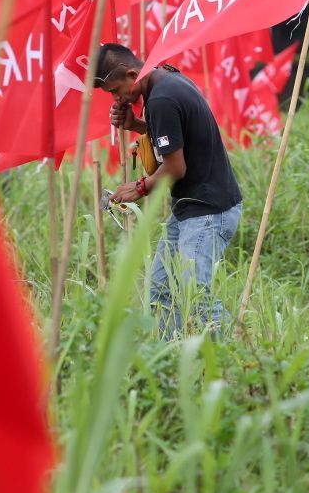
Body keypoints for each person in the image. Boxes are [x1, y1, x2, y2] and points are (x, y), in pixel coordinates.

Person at [94, 43, 243, 337]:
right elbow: (177, 134)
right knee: (161, 290)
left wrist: (138, 188)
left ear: (131, 73)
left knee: (194, 296)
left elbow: (176, 168)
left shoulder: (161, 98)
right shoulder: (165, 77)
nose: (116, 98)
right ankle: (168, 358)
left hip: (208, 211)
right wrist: (137, 125)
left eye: (115, 90)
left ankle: (236, 358)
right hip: (189, 208)